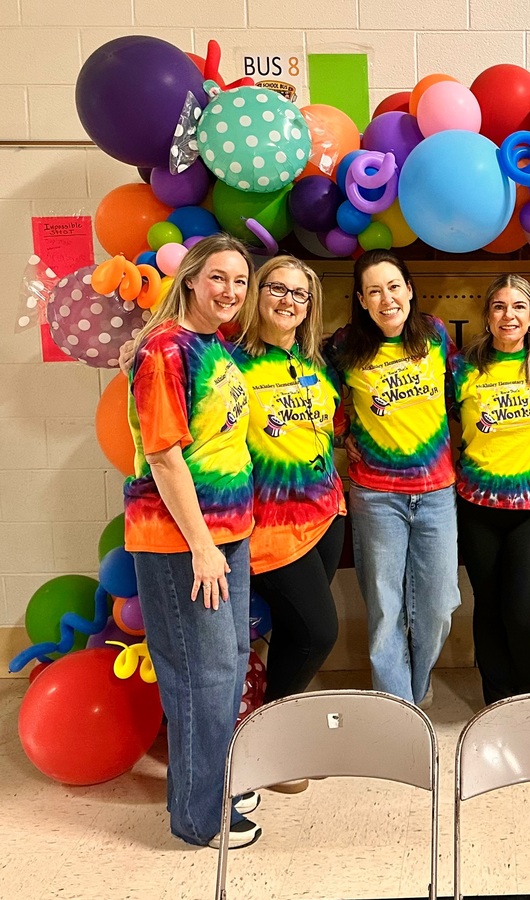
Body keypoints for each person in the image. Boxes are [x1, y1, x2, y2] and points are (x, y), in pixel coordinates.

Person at [124, 234, 260, 850]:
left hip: (228, 534)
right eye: (218, 279)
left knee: (226, 670)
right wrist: (203, 546)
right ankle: (199, 819)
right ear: (192, 280)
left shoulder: (214, 345)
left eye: (240, 281)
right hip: (184, 542)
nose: (230, 292)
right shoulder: (165, 352)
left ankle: (212, 784)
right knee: (199, 679)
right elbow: (164, 456)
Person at [231, 255, 347, 792]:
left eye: (299, 295)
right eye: (277, 288)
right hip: (269, 527)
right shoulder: (230, 364)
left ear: (309, 307)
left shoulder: (315, 365)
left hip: (327, 514)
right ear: (257, 296)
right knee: (320, 631)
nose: (287, 301)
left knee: (298, 632)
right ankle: (266, 742)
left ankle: (280, 734)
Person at [325, 249, 459, 706]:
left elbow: (461, 395)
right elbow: (311, 391)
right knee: (386, 608)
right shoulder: (344, 347)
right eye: (374, 291)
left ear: (410, 289)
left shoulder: (435, 335)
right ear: (361, 300)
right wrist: (343, 435)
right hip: (377, 496)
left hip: (438, 493)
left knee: (439, 607)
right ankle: (397, 706)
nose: (387, 299)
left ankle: (414, 693)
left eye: (394, 287)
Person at [452, 275, 530, 705]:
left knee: (523, 613)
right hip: (477, 504)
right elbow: (438, 423)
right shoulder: (463, 367)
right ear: (488, 316)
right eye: (498, 306)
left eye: (518, 306)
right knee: (489, 606)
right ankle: (496, 700)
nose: (508, 315)